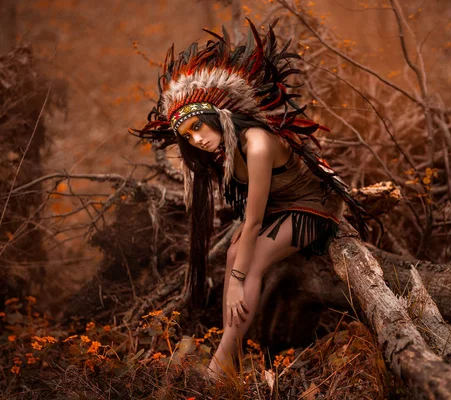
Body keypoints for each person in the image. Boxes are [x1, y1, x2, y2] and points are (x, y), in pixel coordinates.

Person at [131, 19, 371, 382]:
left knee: (252, 263)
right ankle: (229, 352)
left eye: (198, 127)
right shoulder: (225, 147)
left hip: (313, 206)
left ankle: (221, 365)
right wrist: (235, 271)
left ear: (217, 115)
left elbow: (255, 221)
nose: (195, 139)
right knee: (233, 254)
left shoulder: (256, 143)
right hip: (278, 205)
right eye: (187, 135)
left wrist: (237, 284)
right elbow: (250, 213)